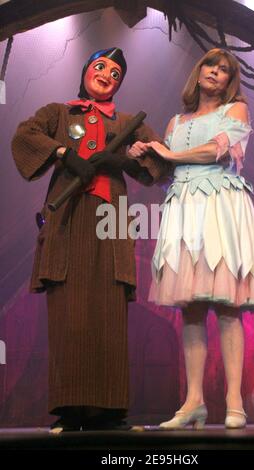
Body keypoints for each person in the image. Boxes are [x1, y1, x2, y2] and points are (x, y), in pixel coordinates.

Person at [11, 47, 170, 432]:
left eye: (115, 73)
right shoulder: (60, 113)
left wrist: (126, 162)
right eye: (100, 67)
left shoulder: (130, 123)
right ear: (86, 70)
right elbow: (24, 136)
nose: (106, 75)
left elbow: (160, 163)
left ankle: (110, 413)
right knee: (69, 313)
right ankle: (70, 411)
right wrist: (65, 153)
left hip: (110, 221)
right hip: (68, 219)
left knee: (108, 312)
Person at [128, 48, 254, 429]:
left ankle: (234, 402)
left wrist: (169, 154)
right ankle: (194, 402)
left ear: (230, 80)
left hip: (221, 206)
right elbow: (163, 170)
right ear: (199, 71)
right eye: (211, 65)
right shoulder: (176, 121)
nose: (216, 72)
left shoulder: (235, 110)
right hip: (183, 207)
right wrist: (142, 153)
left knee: (227, 305)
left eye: (224, 69)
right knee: (191, 307)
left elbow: (214, 151)